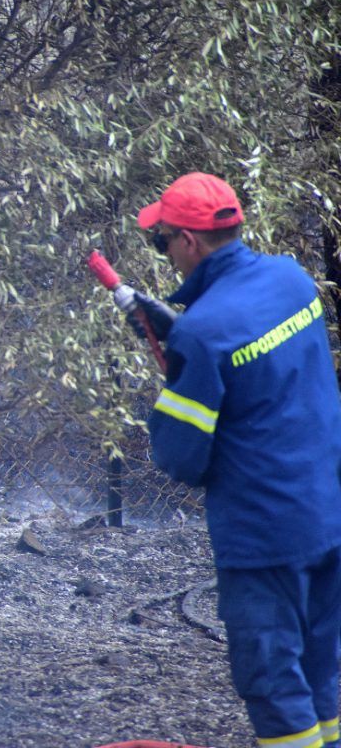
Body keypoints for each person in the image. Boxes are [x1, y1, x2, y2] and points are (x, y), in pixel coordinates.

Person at [129, 171, 341, 748]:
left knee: (272, 681)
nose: (165, 253)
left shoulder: (203, 333)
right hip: (327, 511)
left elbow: (182, 458)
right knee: (325, 668)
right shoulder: (293, 281)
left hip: (264, 535)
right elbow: (264, 375)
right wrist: (186, 344)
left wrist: (180, 364)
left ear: (189, 243)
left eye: (162, 241)